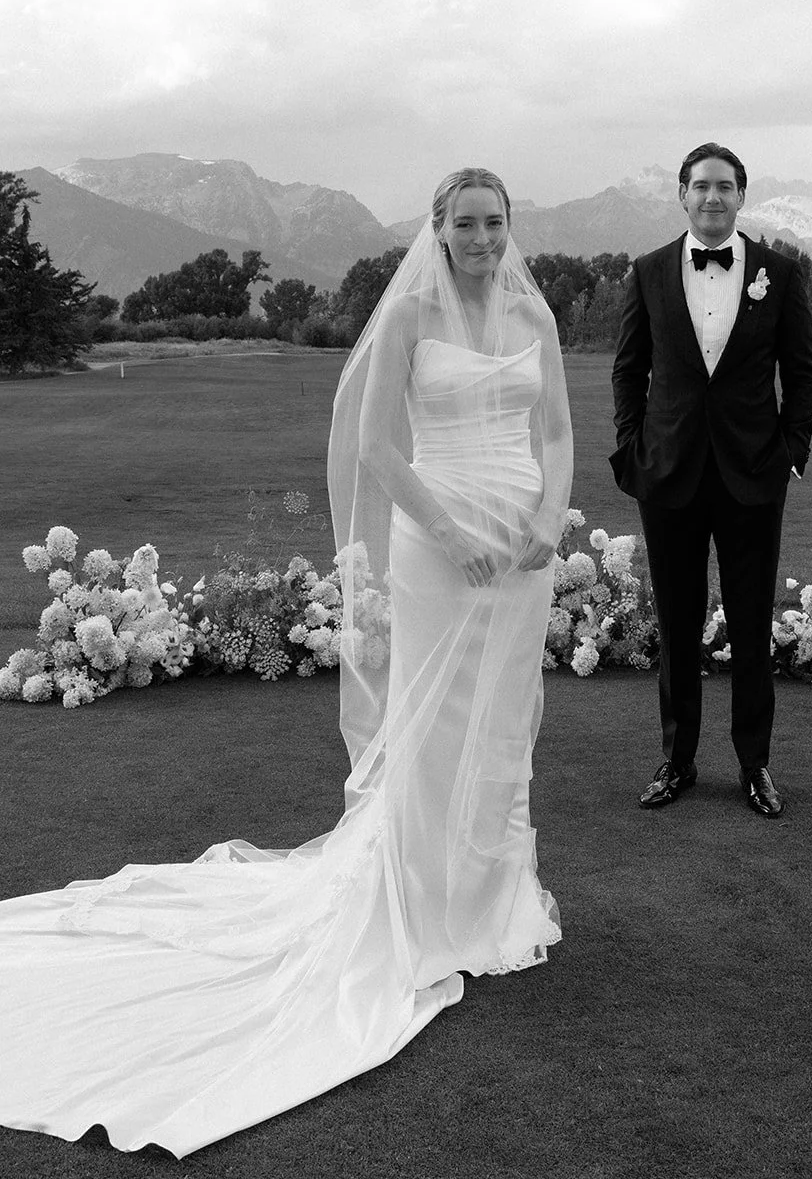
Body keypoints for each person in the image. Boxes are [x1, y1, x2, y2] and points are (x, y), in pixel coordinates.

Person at [0, 168, 573, 1158]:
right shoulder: (411, 315)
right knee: (432, 725)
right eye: (465, 224)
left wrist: (538, 526)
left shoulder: (531, 308)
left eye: (495, 223)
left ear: (509, 229)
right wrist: (449, 530)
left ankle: (494, 901)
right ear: (436, 230)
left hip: (519, 544)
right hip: (439, 539)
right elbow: (380, 446)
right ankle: (421, 909)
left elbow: (557, 430)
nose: (482, 238)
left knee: (503, 719)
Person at [610, 142, 812, 817]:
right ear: (681, 194)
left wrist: (790, 449)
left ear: (740, 196)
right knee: (675, 623)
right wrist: (631, 447)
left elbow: (803, 371)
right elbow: (627, 370)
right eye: (700, 186)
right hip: (667, 474)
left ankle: (753, 766)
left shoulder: (778, 275)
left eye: (724, 186)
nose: (711, 197)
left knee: (752, 622)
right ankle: (677, 762)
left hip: (753, 476)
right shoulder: (645, 272)